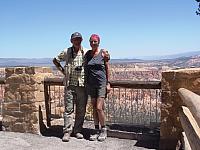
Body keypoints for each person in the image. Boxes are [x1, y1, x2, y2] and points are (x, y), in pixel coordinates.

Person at [53, 32, 88, 142]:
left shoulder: (86, 52)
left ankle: (77, 131)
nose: (77, 41)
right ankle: (67, 132)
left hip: (82, 84)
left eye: (79, 39)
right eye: (75, 39)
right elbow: (55, 60)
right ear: (71, 41)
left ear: (81, 40)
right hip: (70, 84)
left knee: (81, 110)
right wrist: (63, 71)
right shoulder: (67, 51)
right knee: (69, 109)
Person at [84, 34, 111, 142]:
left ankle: (103, 129)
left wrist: (108, 83)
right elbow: (86, 68)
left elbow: (107, 68)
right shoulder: (88, 54)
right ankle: (96, 130)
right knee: (94, 108)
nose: (93, 43)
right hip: (91, 84)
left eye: (95, 41)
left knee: (99, 108)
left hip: (101, 84)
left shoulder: (103, 53)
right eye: (91, 41)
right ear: (89, 43)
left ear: (98, 42)